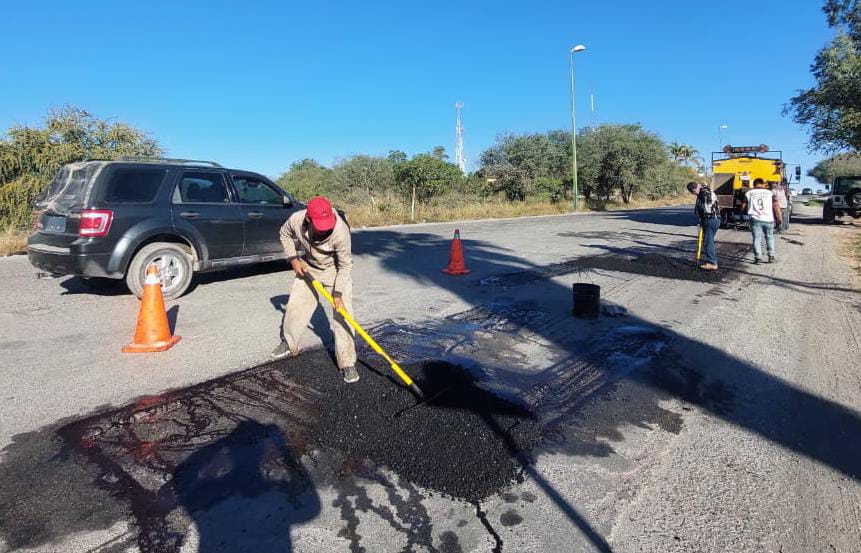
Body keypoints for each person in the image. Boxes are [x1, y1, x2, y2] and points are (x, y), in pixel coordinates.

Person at [271, 196, 358, 383]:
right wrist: (293, 259)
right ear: (309, 219)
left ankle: (347, 361)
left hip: (335, 271)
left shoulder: (341, 231)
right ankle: (289, 341)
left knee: (343, 314)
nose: (326, 228)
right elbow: (284, 234)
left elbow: (345, 265)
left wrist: (337, 293)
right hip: (309, 267)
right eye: (321, 225)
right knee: (297, 305)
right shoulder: (296, 219)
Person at [740, 178, 783, 264]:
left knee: (757, 238)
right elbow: (776, 205)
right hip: (768, 219)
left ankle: (758, 258)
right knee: (770, 237)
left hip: (755, 219)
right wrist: (779, 218)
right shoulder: (770, 193)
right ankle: (771, 256)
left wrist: (742, 213)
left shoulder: (748, 193)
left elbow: (743, 206)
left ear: (754, 184)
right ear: (763, 184)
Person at [687, 181, 720, 270]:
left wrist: (702, 216)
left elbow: (706, 206)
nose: (694, 194)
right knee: (708, 241)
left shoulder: (704, 193)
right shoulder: (704, 191)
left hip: (710, 220)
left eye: (693, 192)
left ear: (694, 190)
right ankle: (712, 260)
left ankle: (712, 263)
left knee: (707, 242)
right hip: (713, 220)